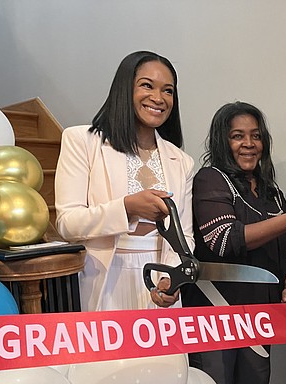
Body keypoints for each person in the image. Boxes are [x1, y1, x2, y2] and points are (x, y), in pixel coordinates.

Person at [183, 101, 286, 384]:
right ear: (222, 141)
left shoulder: (269, 188)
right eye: (237, 136)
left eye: (256, 136)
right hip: (216, 314)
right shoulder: (210, 179)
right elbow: (223, 240)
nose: (248, 144)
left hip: (259, 314)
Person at [55, 50, 194, 312]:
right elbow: (67, 224)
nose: (158, 98)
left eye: (168, 91)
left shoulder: (182, 161)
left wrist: (169, 280)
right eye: (146, 85)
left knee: (165, 353)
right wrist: (127, 208)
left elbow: (184, 235)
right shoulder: (82, 141)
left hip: (157, 283)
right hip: (105, 280)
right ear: (124, 89)